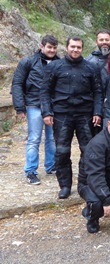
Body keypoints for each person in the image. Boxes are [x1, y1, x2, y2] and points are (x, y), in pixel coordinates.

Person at [41, 37, 102, 199]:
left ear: (82, 48)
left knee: (87, 150)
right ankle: (65, 185)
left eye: (78, 47)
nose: (75, 50)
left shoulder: (91, 67)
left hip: (85, 114)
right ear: (67, 47)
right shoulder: (54, 67)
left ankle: (84, 183)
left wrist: (97, 112)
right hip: (62, 114)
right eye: (73, 47)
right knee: (62, 151)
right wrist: (46, 112)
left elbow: (98, 92)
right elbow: (45, 91)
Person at [11, 34, 59, 185]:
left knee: (52, 138)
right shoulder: (28, 62)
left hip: (53, 106)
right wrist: (20, 107)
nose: (52, 50)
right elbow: (17, 83)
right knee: (34, 139)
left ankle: (51, 165)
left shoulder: (59, 63)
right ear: (42, 46)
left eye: (54, 48)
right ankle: (31, 170)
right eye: (49, 47)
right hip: (34, 104)